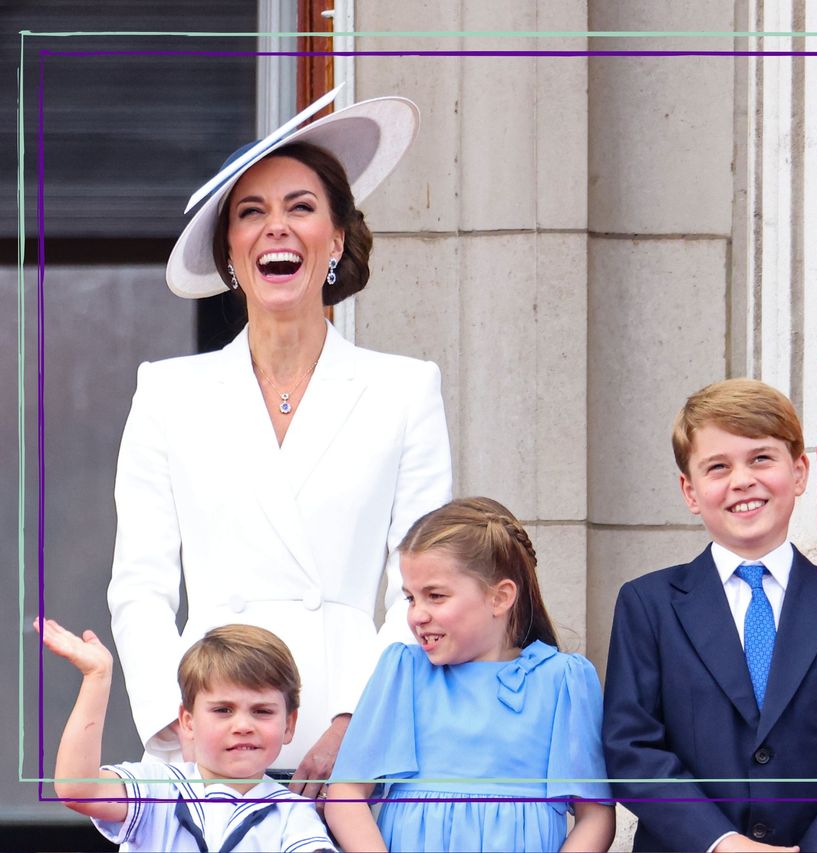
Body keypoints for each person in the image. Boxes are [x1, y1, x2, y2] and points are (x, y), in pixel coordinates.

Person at [107, 87, 453, 797]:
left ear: (335, 239)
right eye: (251, 212)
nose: (277, 229)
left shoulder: (405, 389)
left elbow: (423, 586)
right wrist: (182, 727)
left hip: (355, 740)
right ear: (229, 251)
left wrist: (359, 721)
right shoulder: (167, 392)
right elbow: (139, 587)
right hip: (209, 737)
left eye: (300, 208)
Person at [604, 379, 817, 853]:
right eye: (718, 467)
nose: (742, 480)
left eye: (761, 458)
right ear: (689, 491)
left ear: (800, 472)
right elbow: (632, 749)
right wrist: (722, 842)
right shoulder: (648, 605)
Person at [324, 497, 615, 853]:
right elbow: (346, 793)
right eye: (411, 599)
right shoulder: (403, 673)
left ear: (500, 597)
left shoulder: (563, 681)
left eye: (435, 596)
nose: (416, 615)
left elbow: (596, 816)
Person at [38, 619, 334, 852]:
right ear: (188, 722)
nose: (243, 725)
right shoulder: (158, 789)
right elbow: (77, 789)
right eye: (223, 710)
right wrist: (97, 677)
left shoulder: (293, 814)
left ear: (289, 724)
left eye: (262, 711)